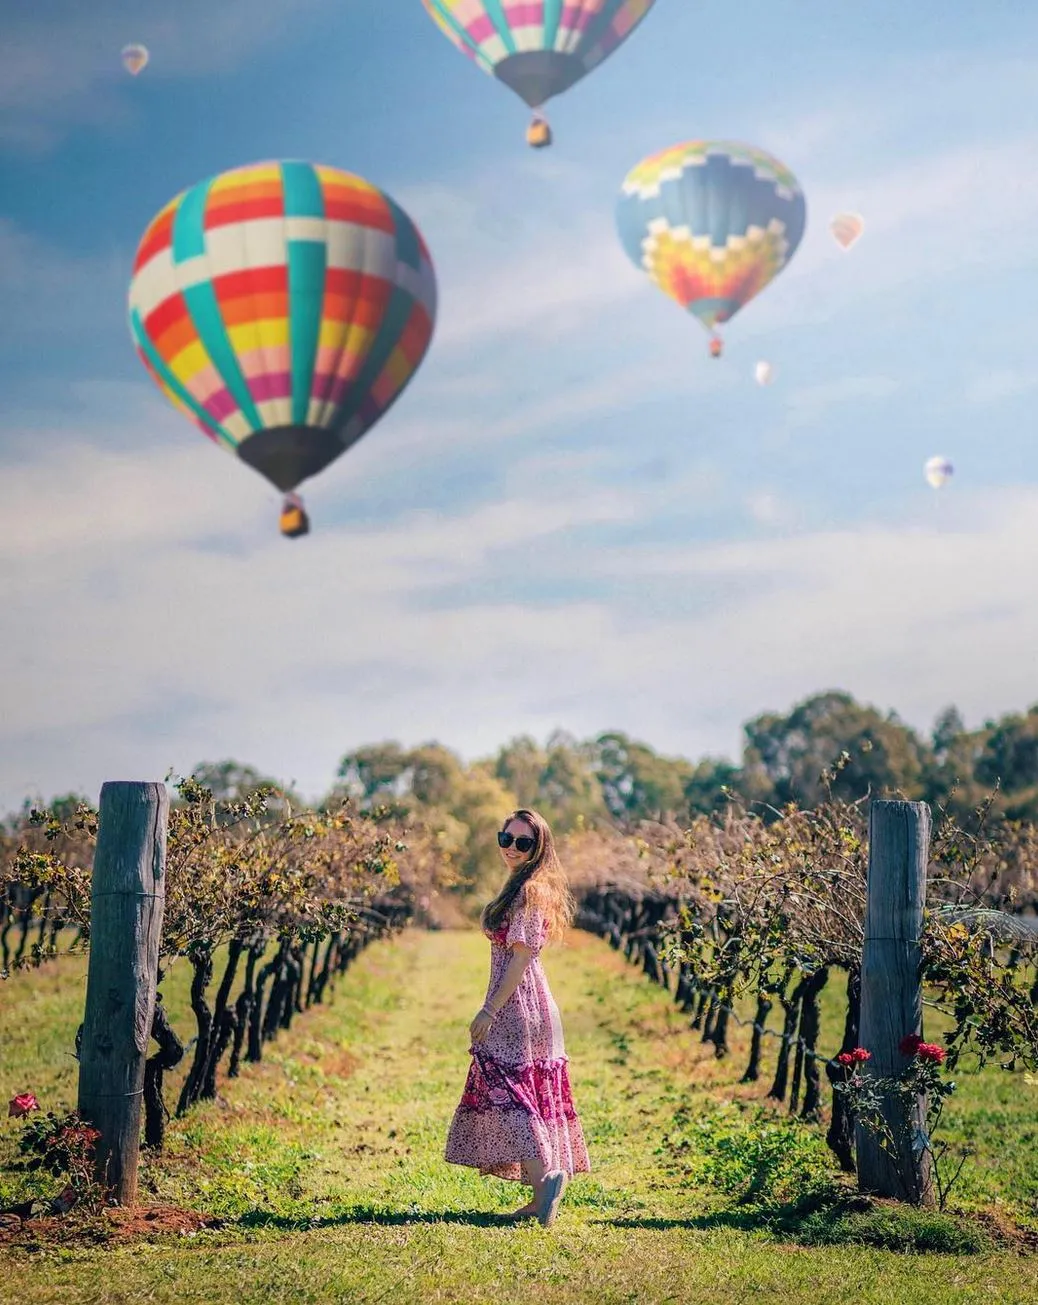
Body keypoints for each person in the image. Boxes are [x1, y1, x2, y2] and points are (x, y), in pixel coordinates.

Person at [444, 808, 591, 1228]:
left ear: (537, 847)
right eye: (505, 839)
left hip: (520, 1003)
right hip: (520, 1000)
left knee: (508, 1087)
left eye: (522, 842)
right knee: (514, 1085)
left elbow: (522, 958)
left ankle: (546, 1178)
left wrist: (490, 1008)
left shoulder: (530, 893)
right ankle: (539, 1192)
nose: (511, 848)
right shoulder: (519, 886)